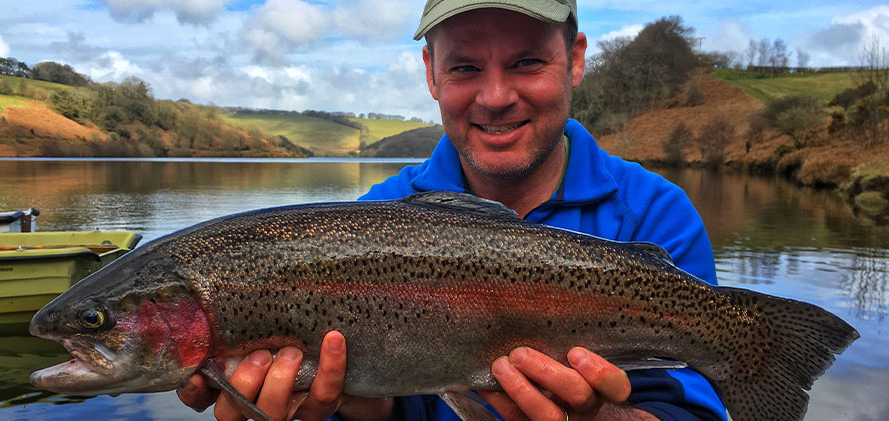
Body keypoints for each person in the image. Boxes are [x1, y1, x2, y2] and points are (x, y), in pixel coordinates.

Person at [178, 1, 728, 420]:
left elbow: (696, 410)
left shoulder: (655, 214)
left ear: (576, 60)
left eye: (527, 62)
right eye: (465, 67)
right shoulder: (370, 223)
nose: (494, 96)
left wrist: (602, 416)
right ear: (430, 72)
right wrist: (356, 407)